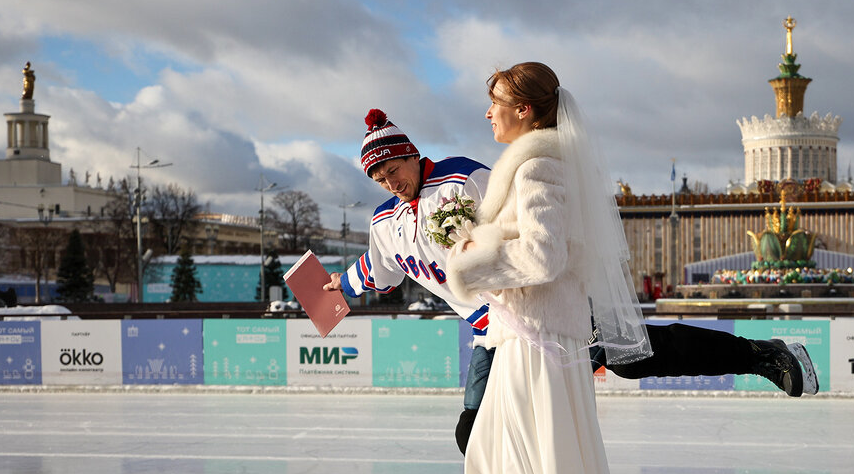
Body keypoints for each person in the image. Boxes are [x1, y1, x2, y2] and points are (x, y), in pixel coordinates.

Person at [327, 113, 819, 455]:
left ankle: (763, 355)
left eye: (394, 169)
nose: (391, 182)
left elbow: (526, 225)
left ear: (412, 155)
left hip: (543, 307)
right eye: (380, 178)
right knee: (473, 435)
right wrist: (339, 285)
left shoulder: (464, 179)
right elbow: (378, 270)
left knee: (634, 357)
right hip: (493, 333)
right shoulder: (384, 222)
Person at [446, 62, 644, 474]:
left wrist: (471, 264)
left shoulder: (540, 167)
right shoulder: (534, 166)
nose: (489, 113)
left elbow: (543, 255)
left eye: (497, 102)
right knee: (497, 464)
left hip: (539, 346)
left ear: (526, 110)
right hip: (525, 339)